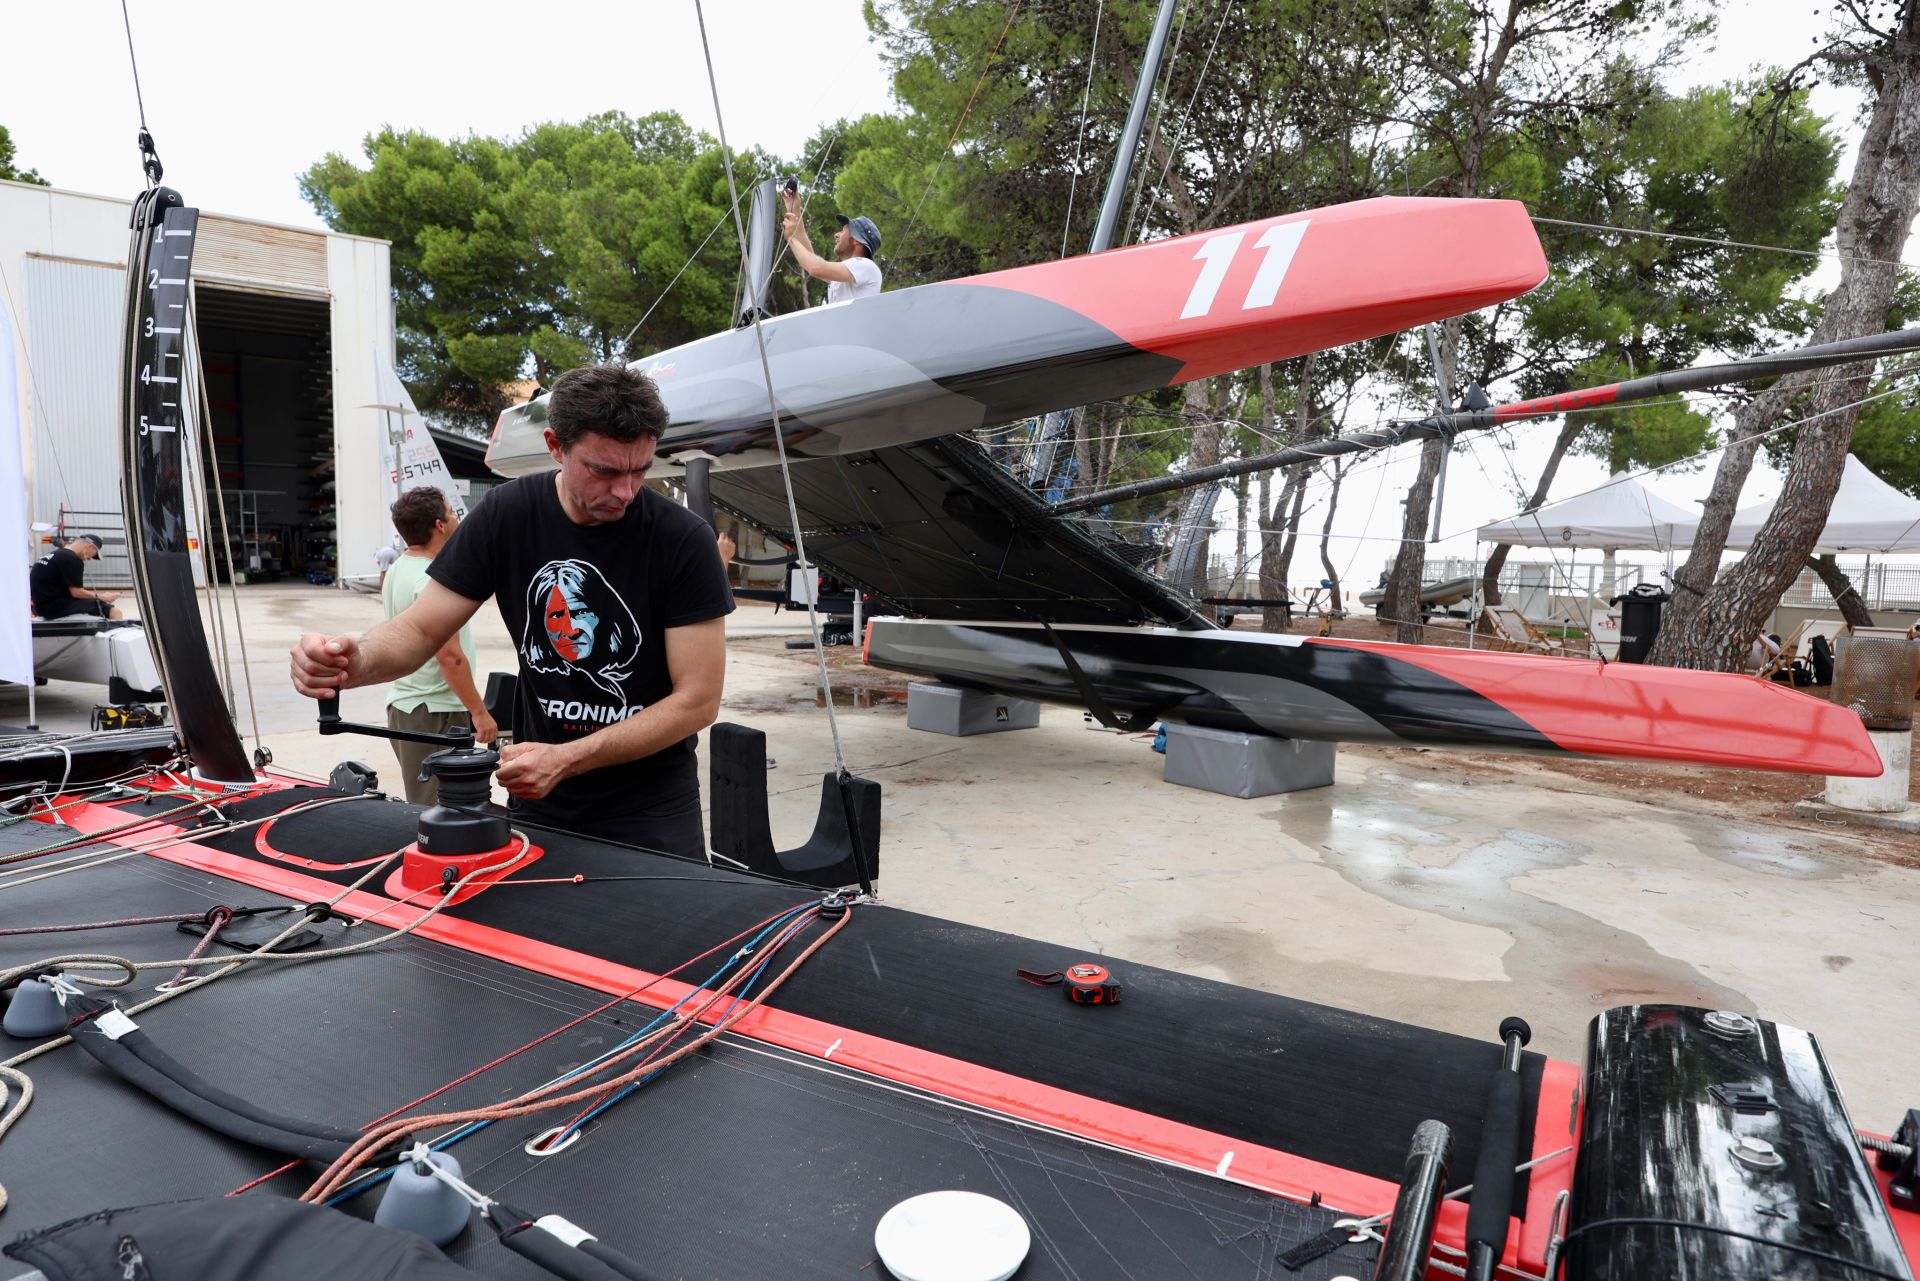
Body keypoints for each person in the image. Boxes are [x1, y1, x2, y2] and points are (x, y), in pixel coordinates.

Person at [290, 364, 735, 855]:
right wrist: (354, 660)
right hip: (540, 801)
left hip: (651, 812)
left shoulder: (682, 540)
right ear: (555, 446)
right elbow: (419, 630)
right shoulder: (507, 514)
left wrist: (568, 758)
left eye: (641, 469)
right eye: (604, 470)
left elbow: (697, 700)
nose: (625, 492)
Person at [381, 487, 497, 805]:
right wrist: (479, 712)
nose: (457, 517)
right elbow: (450, 657)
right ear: (440, 525)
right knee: (440, 809)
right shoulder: (431, 581)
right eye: (451, 511)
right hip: (435, 711)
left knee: (425, 801)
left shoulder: (397, 570)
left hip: (407, 706)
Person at [781, 189, 882, 305]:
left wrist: (791, 238)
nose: (836, 235)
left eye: (844, 230)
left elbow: (815, 268)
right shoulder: (851, 274)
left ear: (857, 241)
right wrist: (794, 210)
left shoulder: (866, 266)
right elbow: (811, 258)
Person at [31, 534, 122, 620]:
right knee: (115, 612)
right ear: (90, 547)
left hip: (41, 608)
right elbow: (77, 593)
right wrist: (103, 597)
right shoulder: (72, 559)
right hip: (55, 609)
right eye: (93, 555)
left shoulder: (52, 555)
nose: (89, 559)